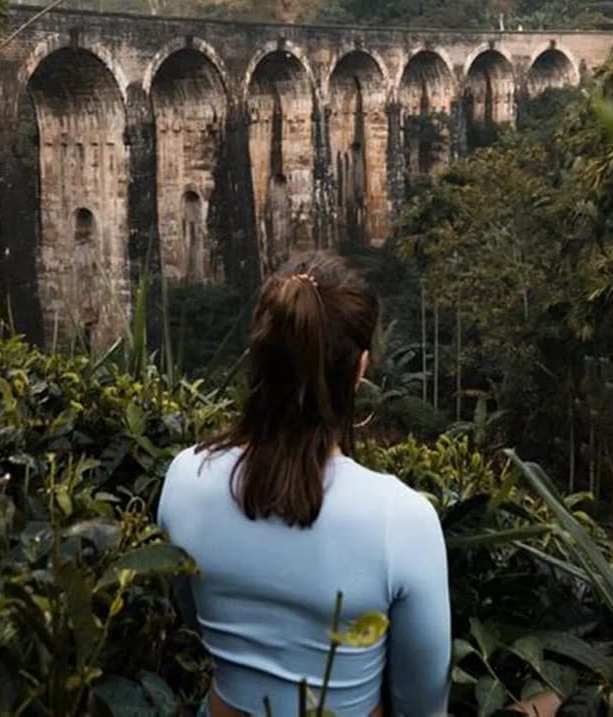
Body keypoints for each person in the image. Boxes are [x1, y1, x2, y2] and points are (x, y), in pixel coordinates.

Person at [157, 253, 451, 717]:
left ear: (259, 355)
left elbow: (194, 621)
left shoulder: (184, 480)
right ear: (359, 370)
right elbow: (423, 705)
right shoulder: (403, 519)